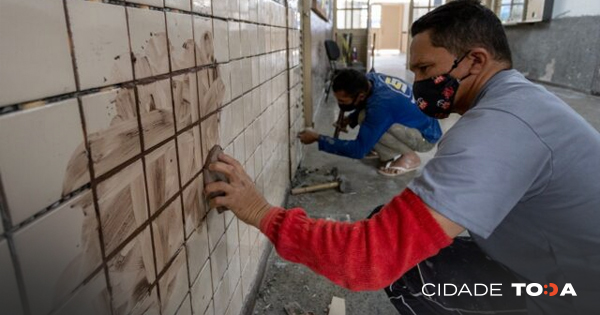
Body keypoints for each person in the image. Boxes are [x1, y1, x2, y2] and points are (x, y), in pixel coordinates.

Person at [204, 1, 600, 314]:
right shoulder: (519, 101)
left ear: (476, 61)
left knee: (403, 267)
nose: (420, 84)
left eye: (426, 68)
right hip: (551, 265)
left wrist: (260, 212)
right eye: (415, 71)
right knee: (392, 225)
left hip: (568, 290)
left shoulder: (502, 129)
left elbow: (369, 259)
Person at [298, 69, 442, 176]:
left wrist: (317, 138)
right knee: (363, 116)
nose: (339, 104)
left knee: (371, 120)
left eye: (342, 101)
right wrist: (350, 119)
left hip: (426, 137)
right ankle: (379, 147)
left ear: (360, 96)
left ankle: (410, 157)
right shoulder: (371, 80)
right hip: (418, 121)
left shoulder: (382, 105)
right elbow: (365, 104)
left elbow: (358, 150)